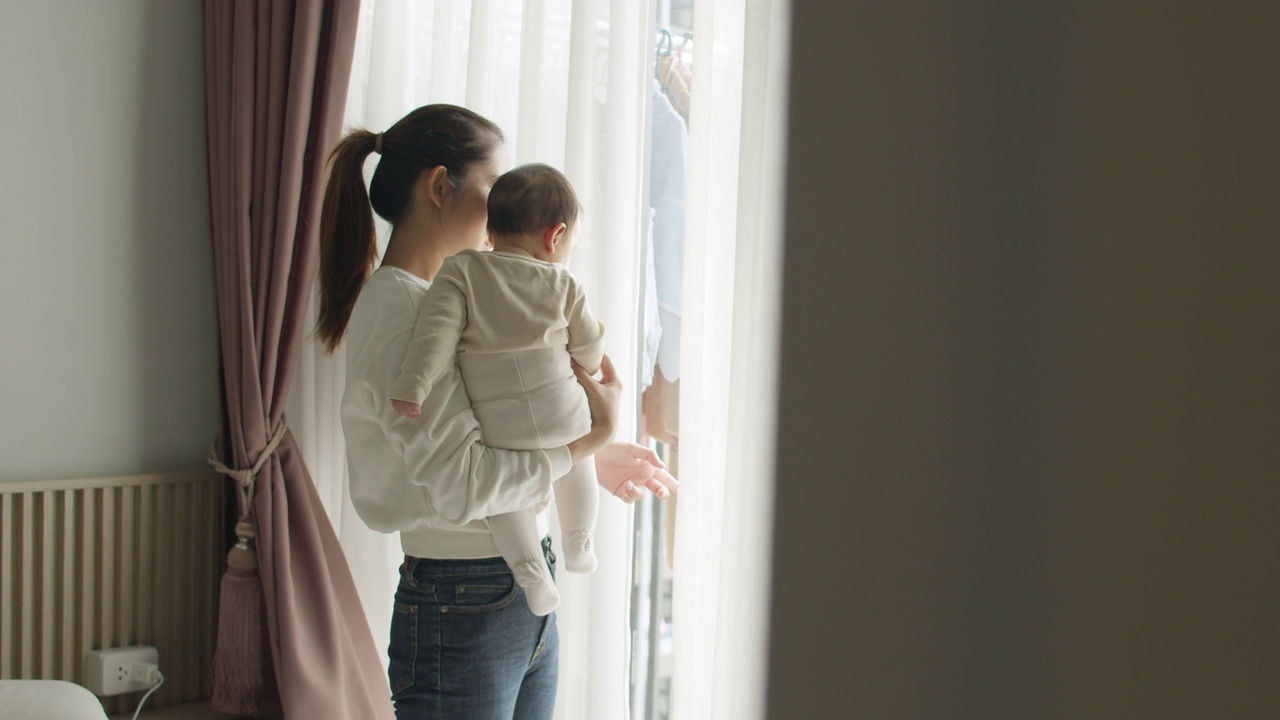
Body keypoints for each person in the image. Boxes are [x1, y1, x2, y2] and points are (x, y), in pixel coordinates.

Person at [316, 104, 675, 719]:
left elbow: (496, 426)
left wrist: (592, 457)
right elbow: (463, 483)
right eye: (494, 190)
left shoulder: (445, 304)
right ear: (438, 187)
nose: (506, 210)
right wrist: (586, 443)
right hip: (464, 597)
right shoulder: (405, 317)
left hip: (504, 593)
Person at [388, 163, 639, 617]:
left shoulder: (460, 271)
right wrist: (591, 347)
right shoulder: (564, 282)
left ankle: (530, 574)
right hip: (562, 412)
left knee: (506, 502)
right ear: (555, 235)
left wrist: (413, 383)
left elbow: (435, 334)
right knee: (575, 462)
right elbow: (587, 352)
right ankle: (579, 539)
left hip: (501, 426)